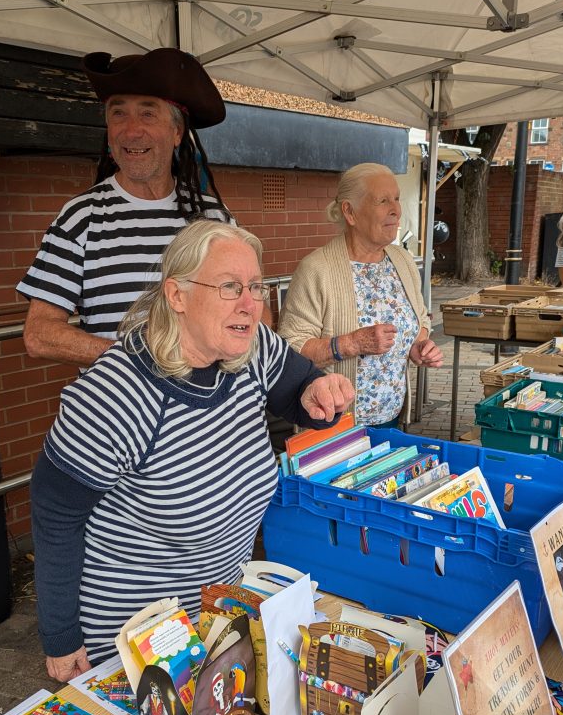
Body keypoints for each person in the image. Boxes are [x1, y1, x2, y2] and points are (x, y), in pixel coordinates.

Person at [31, 219, 354, 681]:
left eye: (255, 287)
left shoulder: (252, 347)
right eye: (229, 286)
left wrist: (317, 394)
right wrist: (61, 637)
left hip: (217, 617)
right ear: (176, 295)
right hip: (137, 640)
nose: (249, 304)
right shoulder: (116, 393)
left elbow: (298, 388)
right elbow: (54, 512)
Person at [17, 48, 232, 367]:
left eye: (147, 113)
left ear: (176, 132)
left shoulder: (213, 216)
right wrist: (139, 361)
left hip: (207, 409)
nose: (131, 130)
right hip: (117, 414)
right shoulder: (81, 218)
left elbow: (254, 309)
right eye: (119, 113)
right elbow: (40, 333)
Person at [278, 163, 442, 428]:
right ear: (350, 212)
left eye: (397, 198)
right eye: (382, 200)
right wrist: (353, 344)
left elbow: (420, 318)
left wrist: (418, 346)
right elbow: (289, 349)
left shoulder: (403, 260)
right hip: (333, 426)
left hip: (392, 420)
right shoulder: (317, 268)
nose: (396, 209)